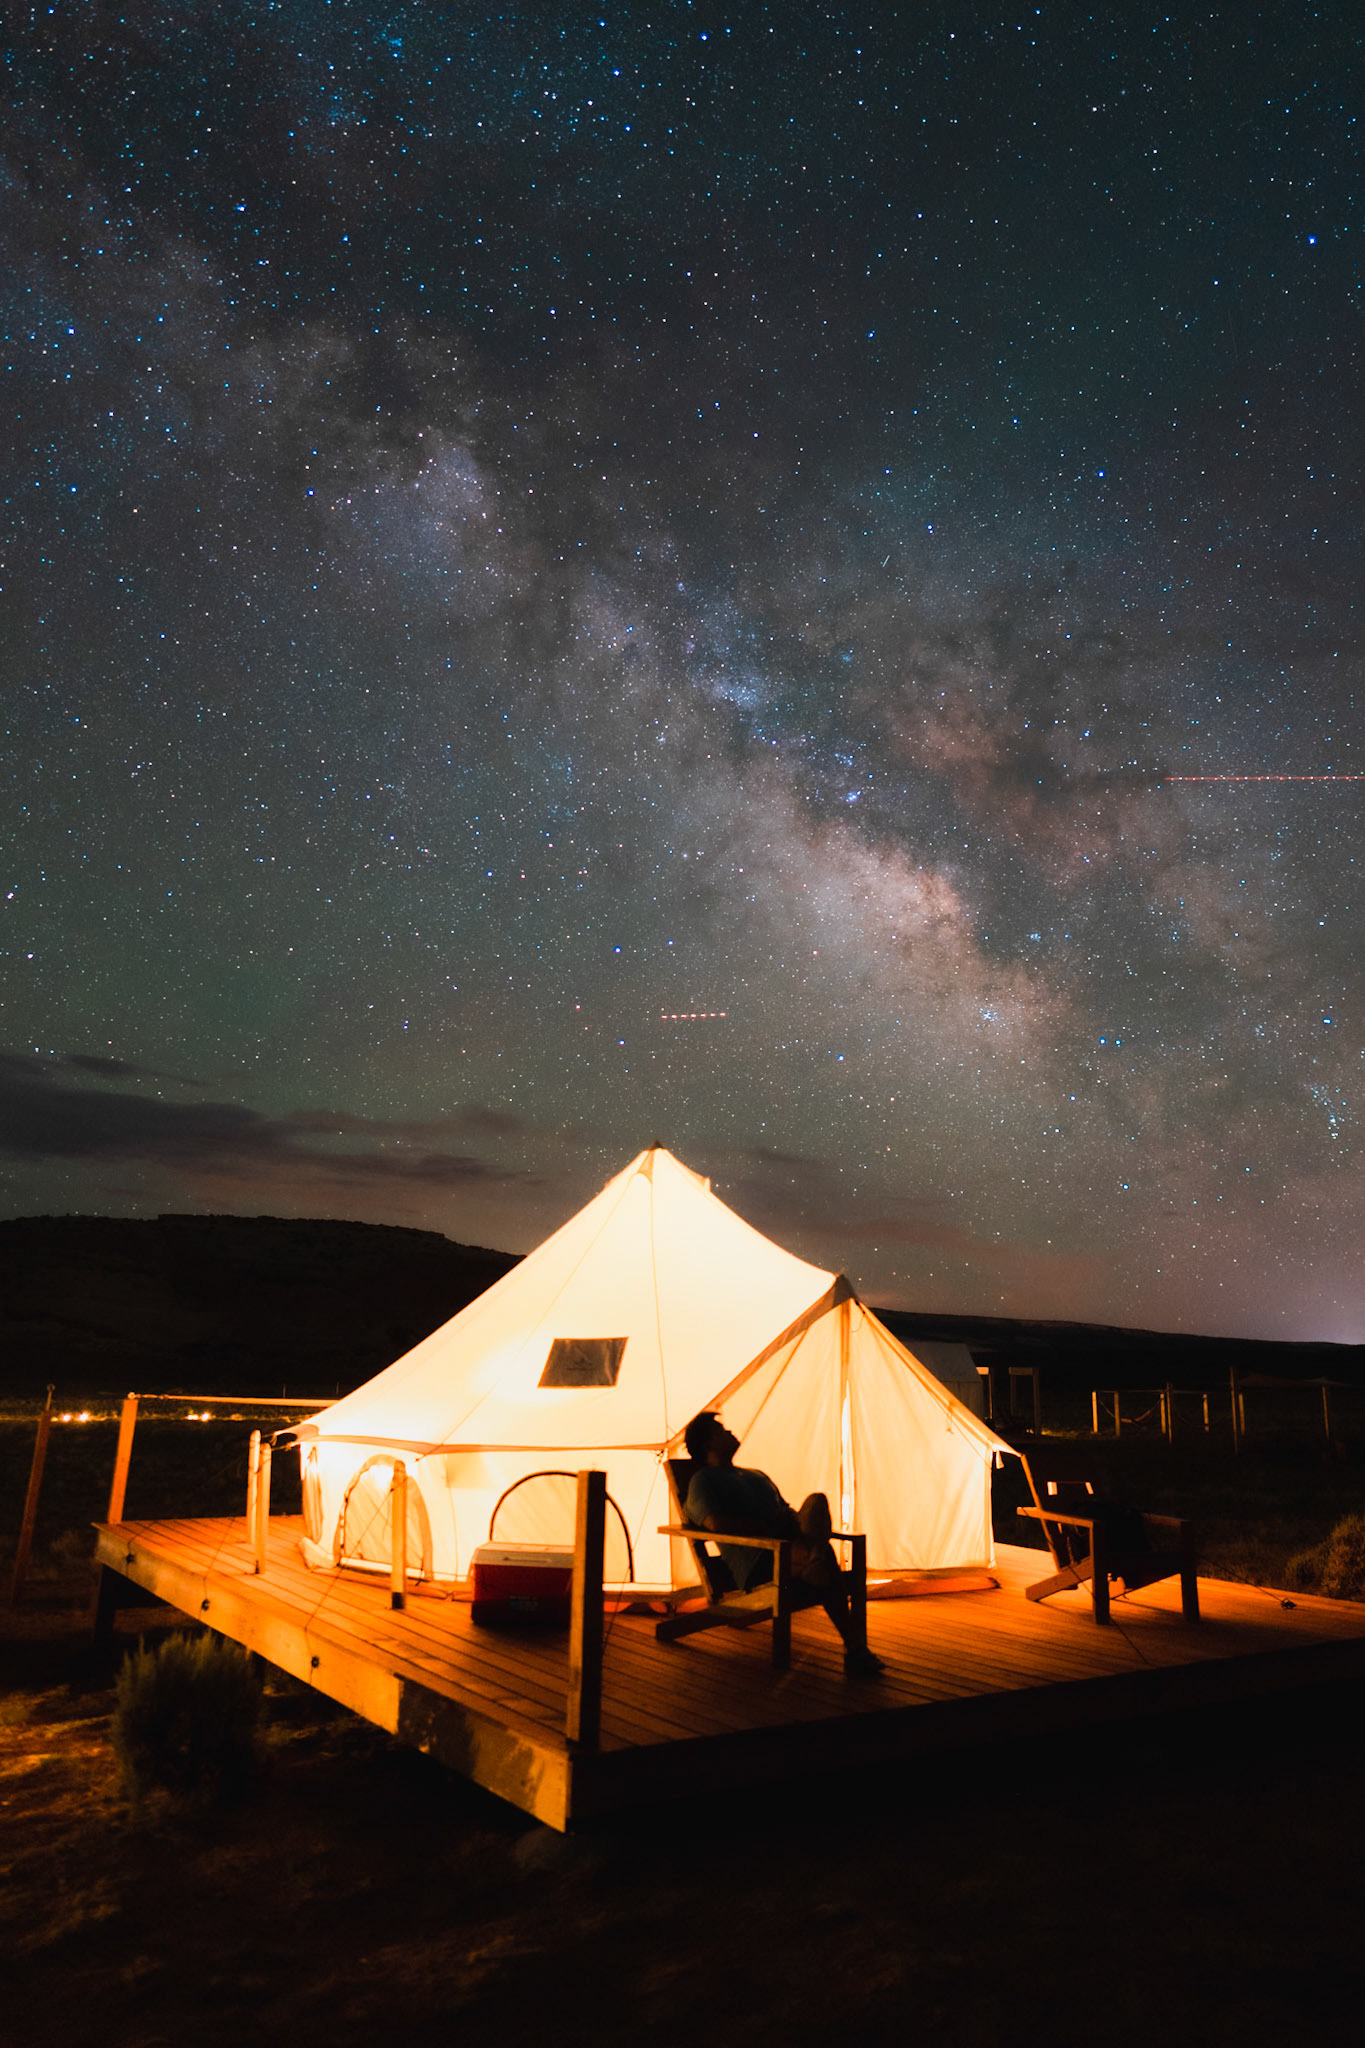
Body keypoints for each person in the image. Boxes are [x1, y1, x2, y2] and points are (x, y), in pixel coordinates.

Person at [682, 1411, 886, 1677]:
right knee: (823, 1560)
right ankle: (854, 1648)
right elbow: (715, 1524)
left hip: (791, 1548)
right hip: (762, 1560)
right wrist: (768, 1527)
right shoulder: (703, 1481)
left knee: (816, 1502)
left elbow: (788, 1512)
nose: (730, 1432)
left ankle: (813, 1561)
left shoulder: (756, 1475)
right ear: (707, 1445)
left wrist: (790, 1519)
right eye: (721, 1430)